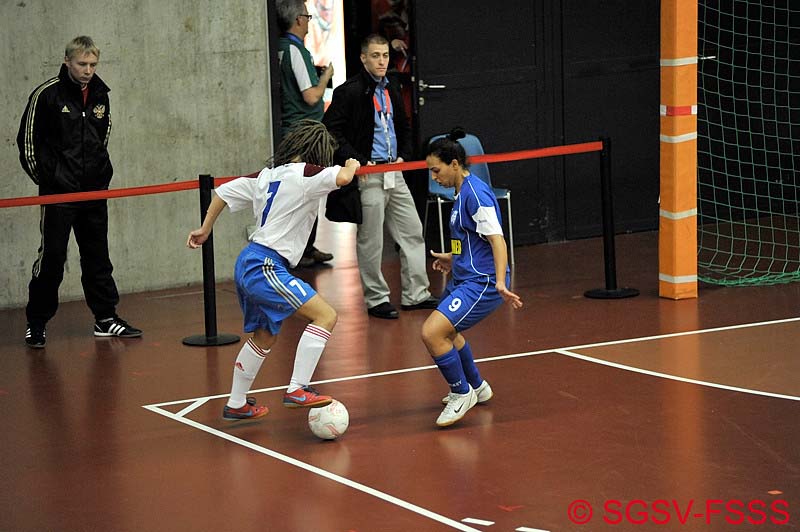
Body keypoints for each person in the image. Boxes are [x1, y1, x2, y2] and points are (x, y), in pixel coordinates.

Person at [187, 119, 360, 420]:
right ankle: (298, 388)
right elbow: (344, 178)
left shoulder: (266, 175)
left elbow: (223, 193)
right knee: (326, 315)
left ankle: (237, 403)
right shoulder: (308, 173)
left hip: (249, 261)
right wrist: (352, 164)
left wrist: (205, 228)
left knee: (265, 334)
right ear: (317, 152)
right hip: (266, 265)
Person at [16, 35, 142, 349]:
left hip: (94, 193)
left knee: (98, 257)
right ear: (67, 62)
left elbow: (102, 137)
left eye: (92, 64)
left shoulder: (100, 94)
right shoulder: (47, 94)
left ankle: (105, 318)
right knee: (52, 259)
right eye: (82, 64)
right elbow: (27, 143)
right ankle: (36, 323)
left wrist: (98, 175)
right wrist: (50, 182)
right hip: (59, 195)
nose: (87, 70)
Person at [323, 34, 437, 319]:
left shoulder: (392, 87)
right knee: (371, 240)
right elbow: (331, 131)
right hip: (368, 174)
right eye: (375, 55)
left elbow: (404, 126)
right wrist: (358, 162)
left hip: (394, 171)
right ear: (363, 58)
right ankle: (376, 299)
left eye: (385, 55)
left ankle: (416, 293)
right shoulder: (350, 91)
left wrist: (404, 156)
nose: (382, 61)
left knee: (412, 231)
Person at [422, 128, 523, 427]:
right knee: (449, 332)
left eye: (436, 170)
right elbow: (469, 239)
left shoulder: (476, 195)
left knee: (432, 333)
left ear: (454, 164)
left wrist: (500, 281)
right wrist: (452, 258)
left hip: (482, 283)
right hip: (464, 277)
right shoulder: (460, 193)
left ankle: (461, 393)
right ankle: (477, 386)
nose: (434, 178)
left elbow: (497, 240)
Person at [276, 0, 335, 268]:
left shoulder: (279, 47)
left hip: (293, 130)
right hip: (303, 133)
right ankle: (302, 250)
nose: (309, 22)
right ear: (298, 19)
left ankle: (306, 247)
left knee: (302, 192)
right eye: (308, 16)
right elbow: (311, 96)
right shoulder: (295, 50)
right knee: (306, 193)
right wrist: (326, 77)